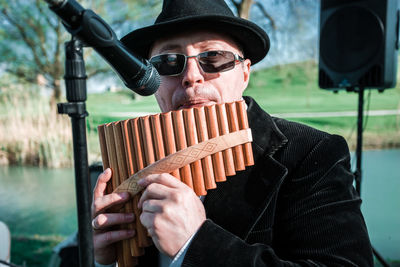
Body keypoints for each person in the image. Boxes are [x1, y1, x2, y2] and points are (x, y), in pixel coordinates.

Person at [91, 0, 373, 266]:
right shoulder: (130, 160)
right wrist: (110, 259)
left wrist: (197, 243)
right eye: (167, 62)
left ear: (245, 73)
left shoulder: (313, 154)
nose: (191, 76)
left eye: (213, 57)